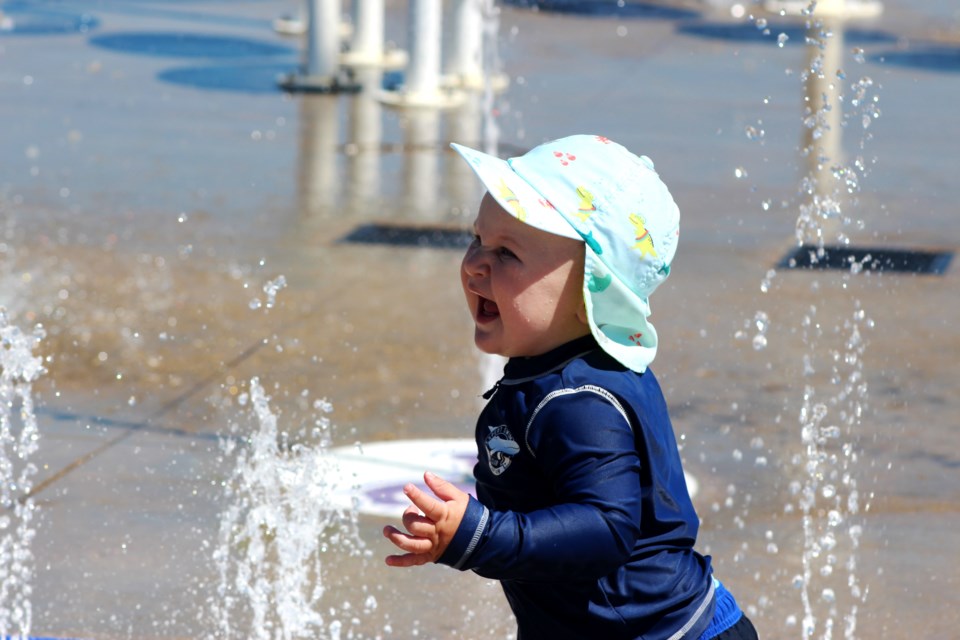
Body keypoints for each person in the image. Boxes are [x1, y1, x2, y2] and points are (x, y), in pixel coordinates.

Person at [382, 134, 759, 640]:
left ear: (591, 289)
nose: (475, 263)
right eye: (477, 239)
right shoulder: (554, 373)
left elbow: (605, 526)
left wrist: (480, 534)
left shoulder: (579, 401)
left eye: (507, 254)